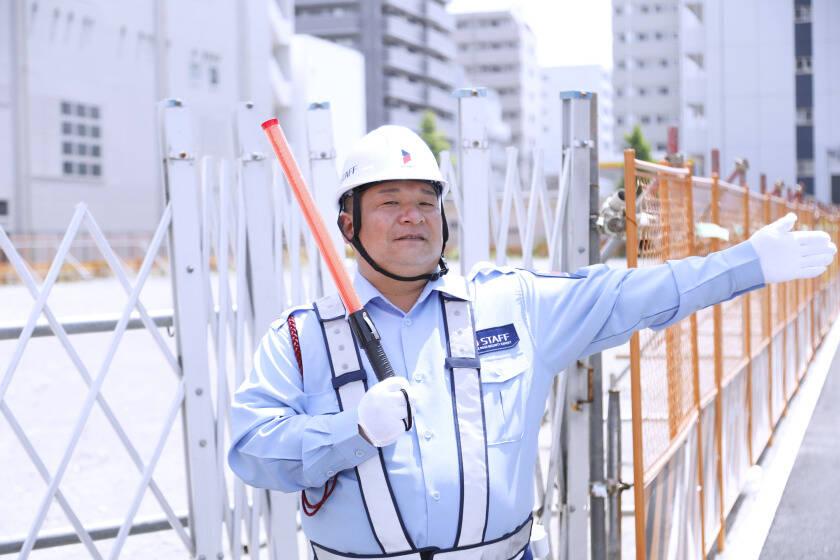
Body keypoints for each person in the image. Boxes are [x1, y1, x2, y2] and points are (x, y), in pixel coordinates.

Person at [228, 126, 836, 560]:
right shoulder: (302, 337)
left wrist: (748, 263)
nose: (412, 216)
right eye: (389, 202)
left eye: (425, 203)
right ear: (348, 224)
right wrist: (350, 432)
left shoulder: (511, 304)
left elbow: (631, 294)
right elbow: (251, 449)